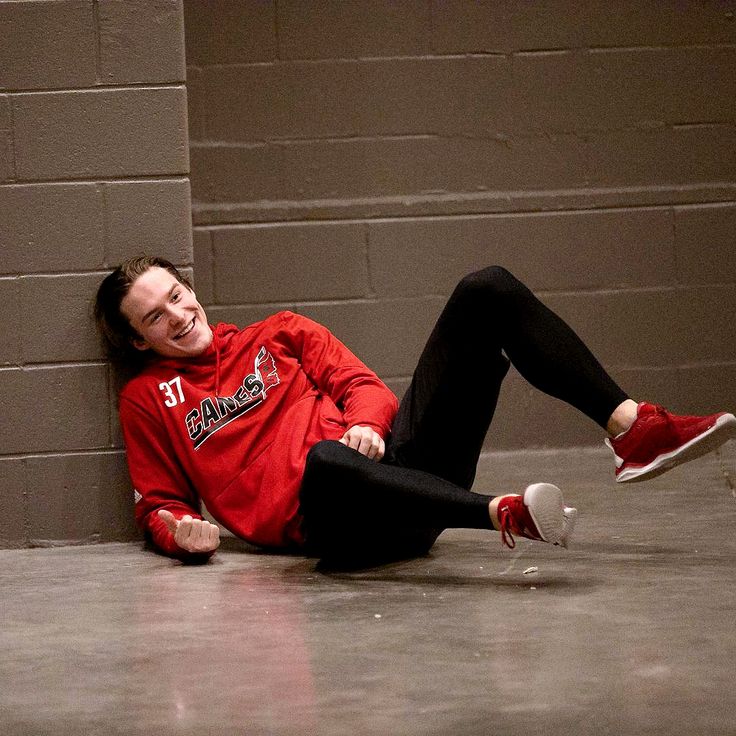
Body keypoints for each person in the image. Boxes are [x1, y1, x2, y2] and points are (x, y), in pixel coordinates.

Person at [94, 256, 736, 565]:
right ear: (136, 340)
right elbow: (159, 500)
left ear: (191, 287)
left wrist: (368, 425)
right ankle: (502, 514)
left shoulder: (279, 332)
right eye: (156, 316)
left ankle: (633, 428)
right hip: (338, 526)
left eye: (178, 295)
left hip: (401, 471)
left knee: (486, 289)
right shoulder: (148, 399)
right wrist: (177, 532)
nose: (179, 315)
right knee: (323, 461)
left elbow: (364, 386)